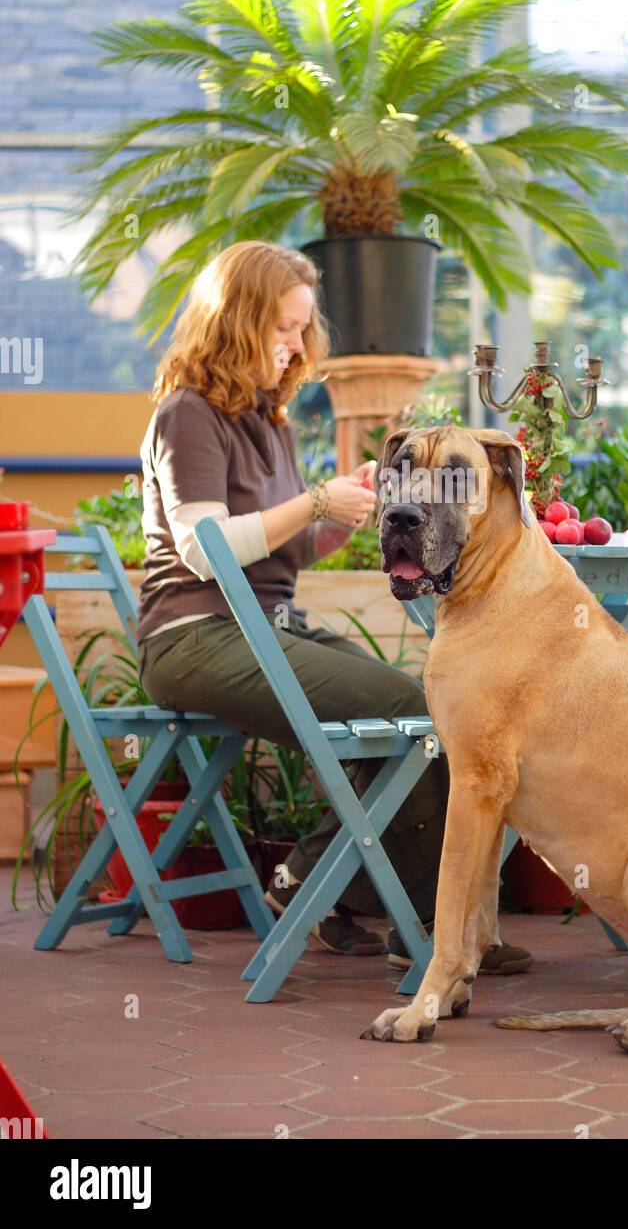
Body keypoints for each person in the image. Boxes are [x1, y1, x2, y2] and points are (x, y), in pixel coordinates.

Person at [136, 239, 532, 974]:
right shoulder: (187, 414)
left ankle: (330, 891)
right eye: (282, 329)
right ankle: (427, 925)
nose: (295, 348)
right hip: (194, 636)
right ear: (235, 321)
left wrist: (340, 517)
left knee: (421, 710)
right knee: (407, 705)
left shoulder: (268, 419)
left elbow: (275, 551)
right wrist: (313, 500)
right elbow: (205, 549)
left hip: (264, 625)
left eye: (302, 330)